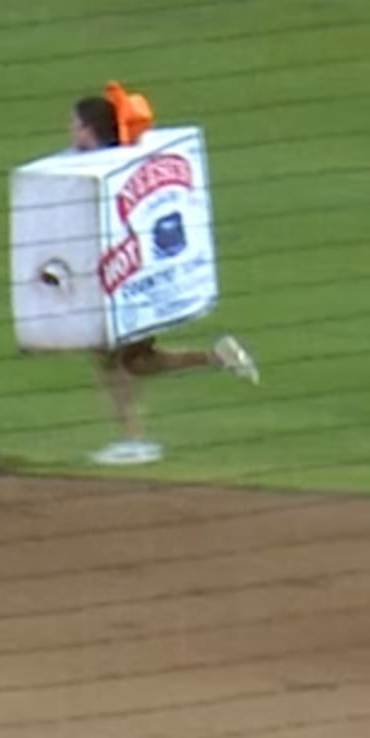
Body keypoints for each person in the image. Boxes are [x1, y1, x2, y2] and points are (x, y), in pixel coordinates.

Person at [66, 81, 254, 465]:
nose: (69, 129)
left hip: (119, 284)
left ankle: (135, 442)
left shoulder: (99, 171)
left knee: (110, 360)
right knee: (136, 361)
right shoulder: (124, 161)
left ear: (87, 129)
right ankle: (216, 356)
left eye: (74, 123)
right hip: (139, 282)